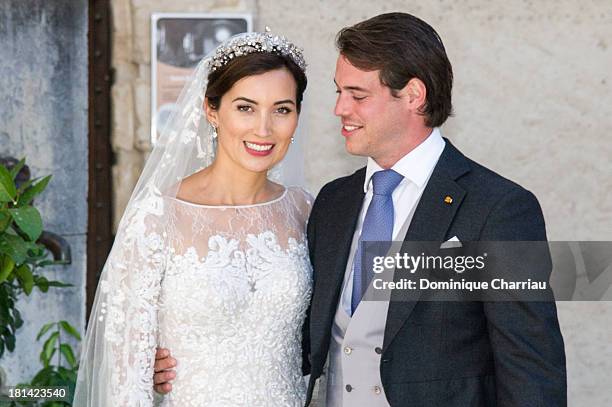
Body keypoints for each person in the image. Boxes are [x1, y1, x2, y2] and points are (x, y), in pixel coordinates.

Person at [154, 12, 567, 406]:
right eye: (339, 91)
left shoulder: (500, 208)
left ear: (413, 95)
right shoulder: (332, 203)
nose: (339, 109)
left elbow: (531, 367)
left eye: (357, 95)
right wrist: (183, 357)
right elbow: (292, 333)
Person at [73, 30, 313, 406]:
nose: (264, 129)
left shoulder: (305, 210)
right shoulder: (158, 216)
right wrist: (143, 368)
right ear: (212, 110)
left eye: (281, 109)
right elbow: (123, 372)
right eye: (245, 107)